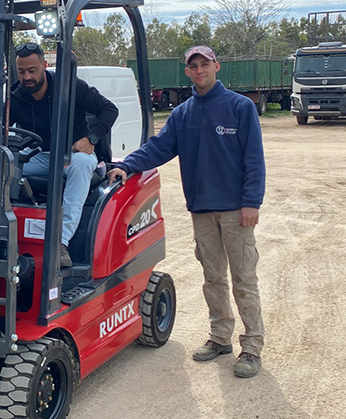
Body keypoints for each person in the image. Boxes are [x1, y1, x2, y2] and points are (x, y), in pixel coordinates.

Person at [107, 45, 266, 378]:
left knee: (243, 279)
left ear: (216, 66)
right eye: (192, 66)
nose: (199, 70)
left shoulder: (239, 107)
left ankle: (251, 347)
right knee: (213, 278)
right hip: (202, 210)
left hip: (236, 211)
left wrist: (252, 202)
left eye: (204, 64)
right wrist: (126, 165)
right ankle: (220, 338)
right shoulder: (183, 114)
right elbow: (159, 148)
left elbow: (254, 159)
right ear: (187, 72)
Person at [10, 43, 118, 267]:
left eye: (32, 70)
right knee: (3, 165)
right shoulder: (16, 96)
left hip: (73, 154)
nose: (27, 76)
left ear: (44, 66)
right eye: (22, 71)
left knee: (80, 165)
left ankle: (61, 241)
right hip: (39, 155)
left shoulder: (69, 87)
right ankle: (4, 234)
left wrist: (91, 139)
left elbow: (109, 109)